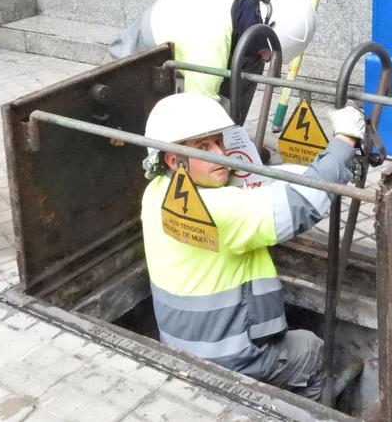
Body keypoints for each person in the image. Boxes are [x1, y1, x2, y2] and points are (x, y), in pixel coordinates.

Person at [139, 92, 365, 402]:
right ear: (173, 159)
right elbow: (301, 204)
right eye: (203, 148)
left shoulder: (156, 192)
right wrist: (344, 141)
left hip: (181, 342)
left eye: (219, 141)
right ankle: (310, 411)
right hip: (232, 356)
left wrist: (304, 169)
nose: (220, 153)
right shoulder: (220, 209)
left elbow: (244, 194)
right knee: (312, 351)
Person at [109, 0, 316, 121]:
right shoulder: (210, 49)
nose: (266, 58)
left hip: (181, 30)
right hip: (141, 52)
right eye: (267, 51)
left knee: (249, 60)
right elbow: (199, 114)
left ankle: (233, 134)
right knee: (186, 119)